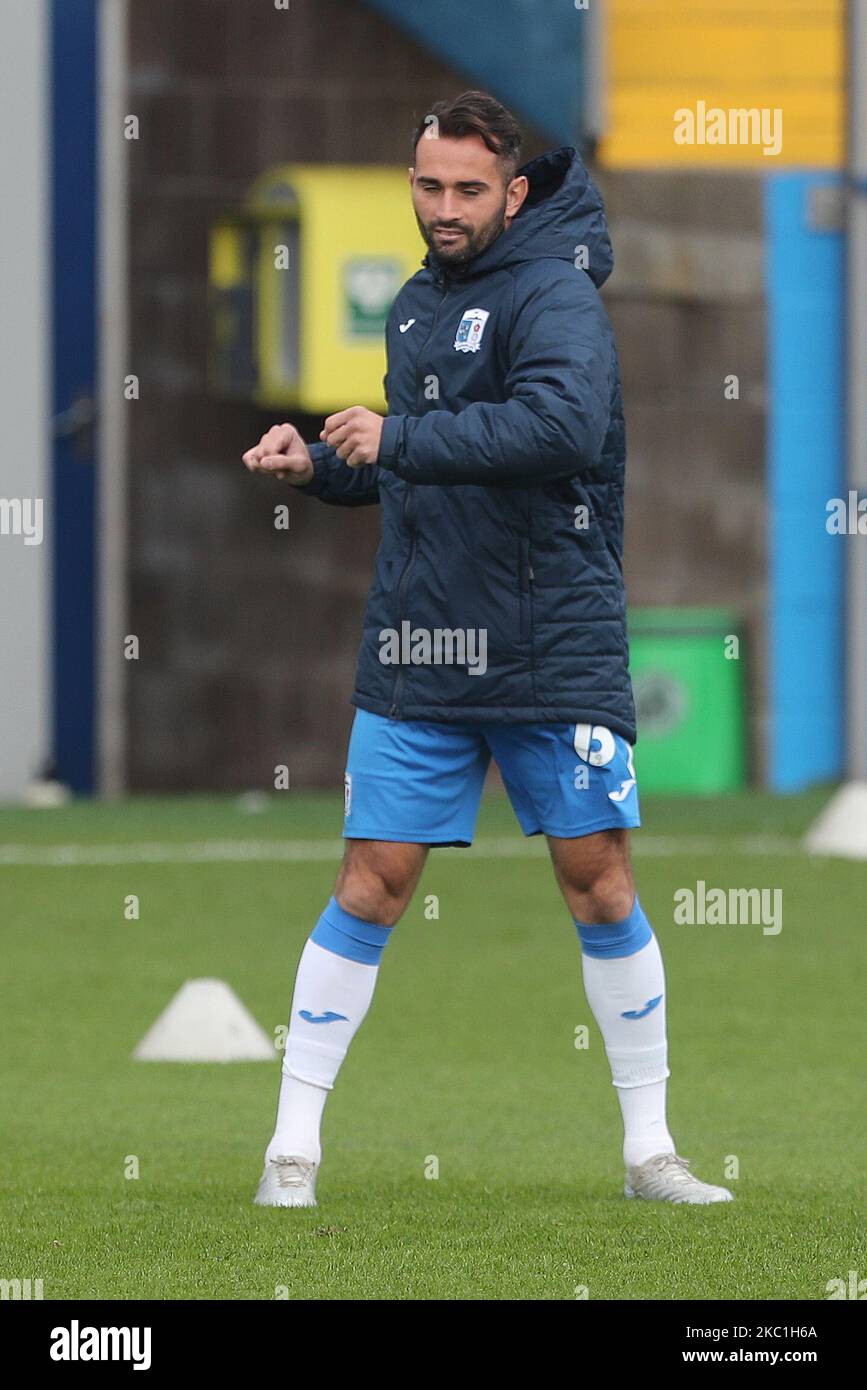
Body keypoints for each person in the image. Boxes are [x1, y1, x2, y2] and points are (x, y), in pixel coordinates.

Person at [242, 90, 732, 1208]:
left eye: (468, 189)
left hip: (550, 643)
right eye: (428, 185)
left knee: (597, 880)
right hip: (422, 642)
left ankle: (651, 1151)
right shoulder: (416, 303)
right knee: (370, 882)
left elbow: (556, 430)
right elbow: (419, 459)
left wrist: (401, 434)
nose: (445, 207)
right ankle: (292, 1150)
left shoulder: (559, 298)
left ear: (514, 191)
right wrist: (323, 465)